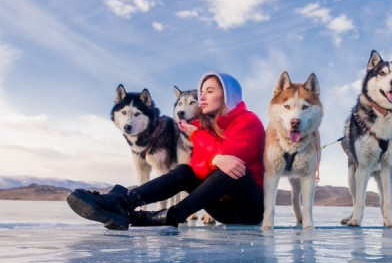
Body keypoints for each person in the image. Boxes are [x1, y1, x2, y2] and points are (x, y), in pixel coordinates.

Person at [67, 72, 265, 229]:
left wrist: (197, 137)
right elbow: (196, 167)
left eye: (210, 91)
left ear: (228, 95)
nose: (202, 96)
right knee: (185, 171)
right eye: (201, 91)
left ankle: (167, 217)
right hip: (221, 209)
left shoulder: (248, 121)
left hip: (248, 210)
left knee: (230, 172)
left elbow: (231, 161)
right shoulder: (207, 128)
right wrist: (213, 158)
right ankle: (123, 201)